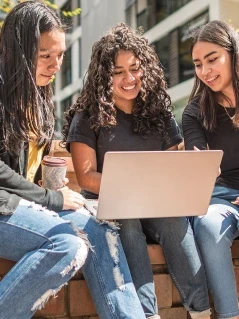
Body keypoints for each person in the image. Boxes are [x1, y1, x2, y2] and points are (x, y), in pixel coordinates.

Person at [0, 2, 147, 318]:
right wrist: (50, 198)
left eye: (60, 55)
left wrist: (58, 193)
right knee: (67, 245)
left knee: (102, 227)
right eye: (45, 55)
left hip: (21, 206)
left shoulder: (37, 100)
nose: (55, 64)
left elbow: (23, 173)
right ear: (19, 50)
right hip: (3, 207)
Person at [62, 22, 211, 319]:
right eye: (118, 72)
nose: (129, 78)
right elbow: (87, 175)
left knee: (174, 220)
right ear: (105, 76)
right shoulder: (88, 115)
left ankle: (201, 311)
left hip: (155, 203)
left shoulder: (160, 111)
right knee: (127, 223)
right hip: (110, 205)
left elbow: (171, 167)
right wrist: (128, 189)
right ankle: (146, 314)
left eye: (134, 68)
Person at [182, 20, 239, 319]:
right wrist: (201, 165)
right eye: (198, 63)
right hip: (219, 200)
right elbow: (198, 161)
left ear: (233, 54)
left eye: (213, 59)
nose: (206, 71)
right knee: (207, 227)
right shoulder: (194, 112)